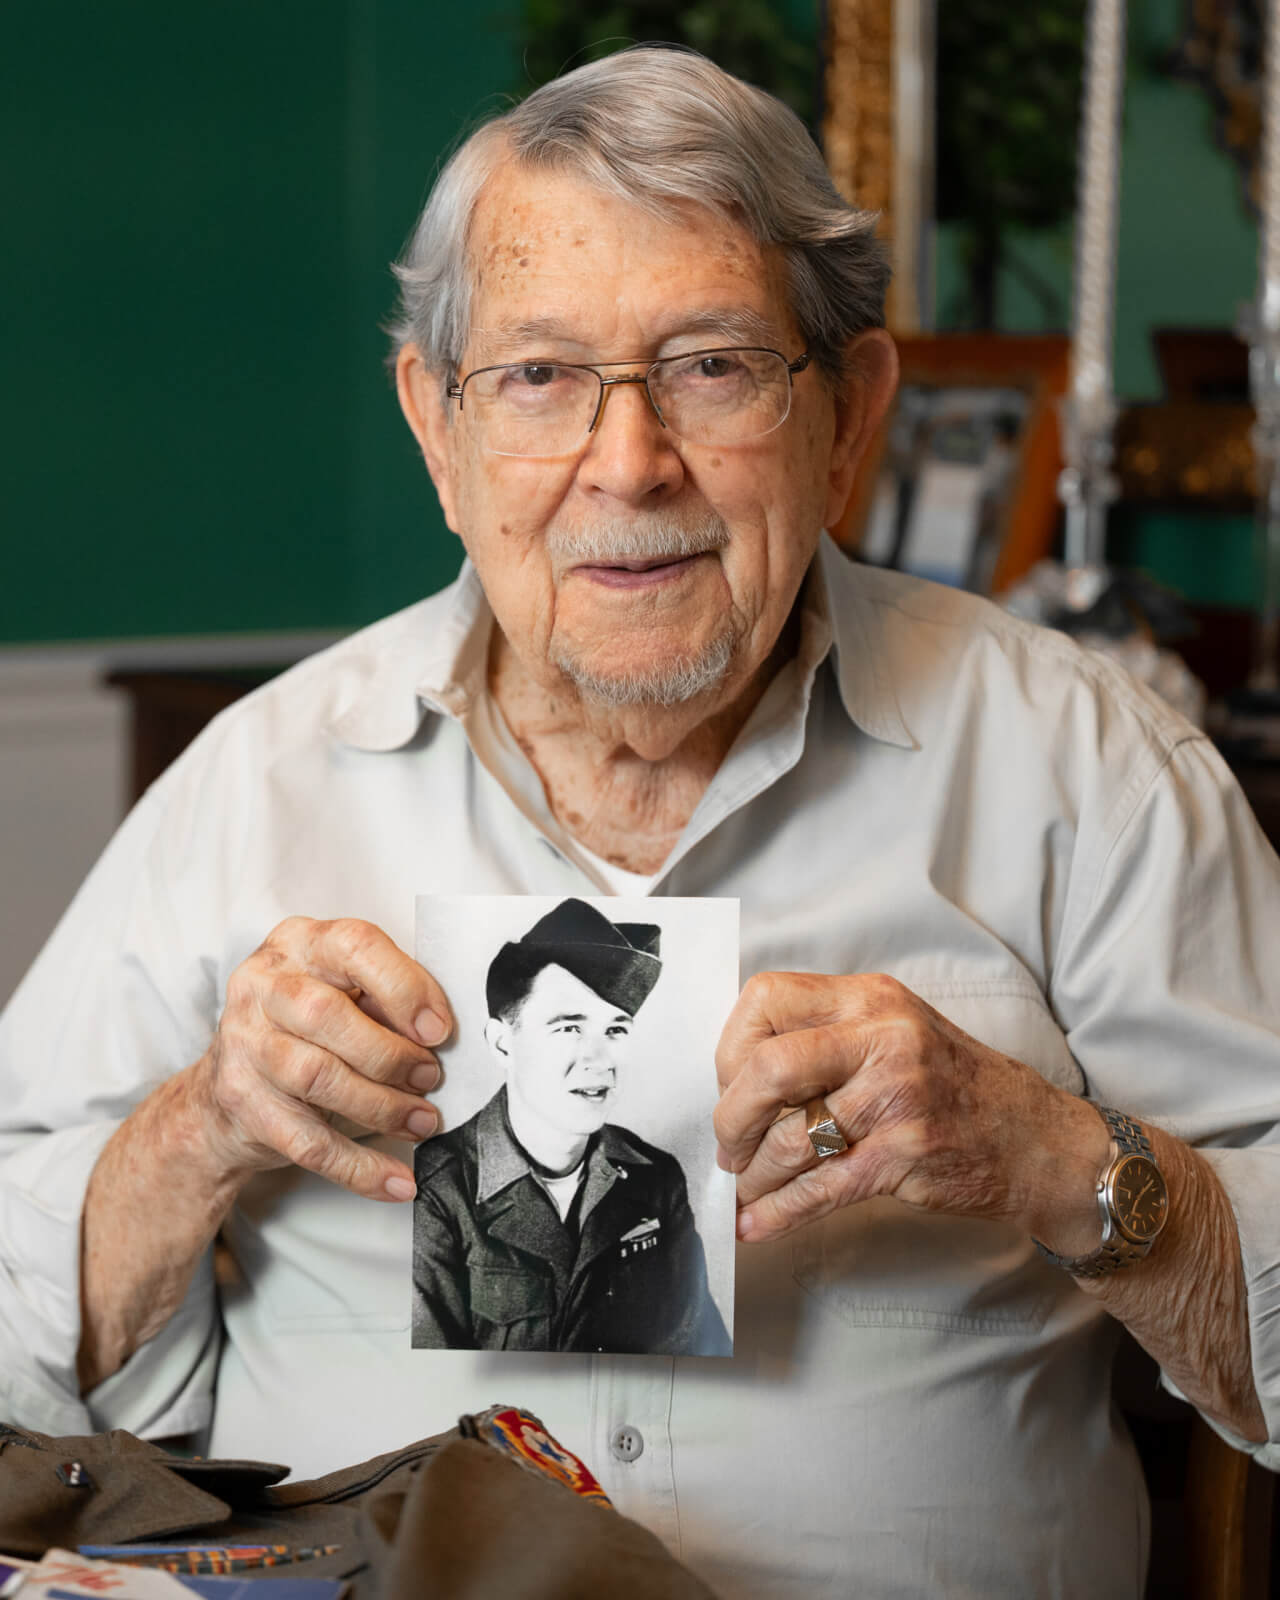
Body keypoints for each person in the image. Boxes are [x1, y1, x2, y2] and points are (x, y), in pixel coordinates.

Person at [0, 43, 1278, 1598]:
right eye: (538, 376)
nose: (628, 463)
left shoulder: (1091, 771)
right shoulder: (253, 789)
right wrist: (198, 1130)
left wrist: (1063, 1162)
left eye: (712, 365)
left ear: (850, 413)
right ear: (436, 427)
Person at [411, 896, 730, 1354]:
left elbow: (700, 1346)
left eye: (615, 1030)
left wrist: (827, 1135)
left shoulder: (655, 1177)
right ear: (503, 1044)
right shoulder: (438, 1188)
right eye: (568, 1028)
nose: (599, 1061)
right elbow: (434, 1382)